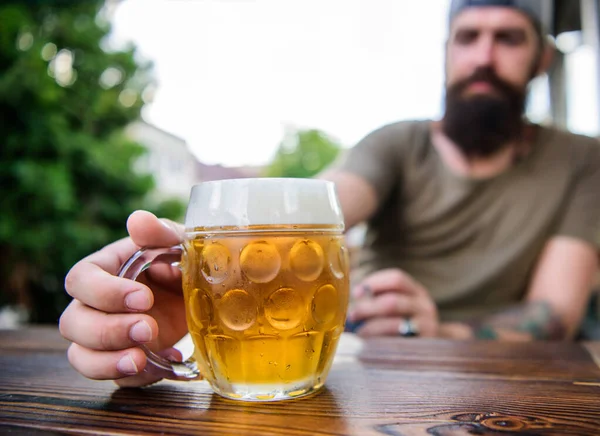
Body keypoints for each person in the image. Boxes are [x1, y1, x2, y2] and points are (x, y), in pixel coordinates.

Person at [59, 0, 600, 387]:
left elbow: (553, 316)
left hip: (503, 377)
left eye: (508, 37)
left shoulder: (582, 160)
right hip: (367, 362)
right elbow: (319, 207)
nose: (484, 55)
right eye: (468, 36)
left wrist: (440, 328)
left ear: (541, 60)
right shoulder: (396, 143)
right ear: (446, 53)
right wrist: (204, 267)